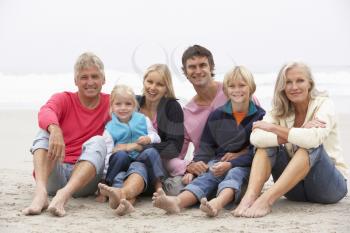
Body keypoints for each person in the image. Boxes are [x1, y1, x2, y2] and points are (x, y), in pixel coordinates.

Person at [233, 62, 349, 218]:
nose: (294, 87)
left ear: (310, 83)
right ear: (282, 86)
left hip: (329, 187)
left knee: (310, 145)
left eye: (300, 80)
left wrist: (273, 128)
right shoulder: (279, 109)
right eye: (288, 82)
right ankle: (250, 197)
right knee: (265, 146)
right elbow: (256, 138)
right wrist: (295, 133)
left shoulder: (324, 104)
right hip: (294, 190)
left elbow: (312, 140)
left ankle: (266, 200)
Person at [152, 66, 265, 216]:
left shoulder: (259, 116)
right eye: (231, 86)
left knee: (235, 173)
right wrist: (194, 170)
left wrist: (232, 163)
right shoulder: (217, 115)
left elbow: (257, 152)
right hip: (218, 162)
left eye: (242, 85)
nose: (237, 90)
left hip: (245, 165)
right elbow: (206, 148)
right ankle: (177, 202)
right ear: (225, 90)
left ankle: (218, 203)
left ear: (251, 87)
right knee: (208, 175)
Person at [22, 52, 110, 217]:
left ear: (103, 79)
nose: (90, 82)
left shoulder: (112, 103)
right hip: (55, 173)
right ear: (75, 80)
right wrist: (55, 129)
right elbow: (45, 111)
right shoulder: (64, 99)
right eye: (84, 77)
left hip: (86, 179)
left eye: (95, 76)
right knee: (44, 131)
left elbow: (136, 113)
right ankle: (40, 193)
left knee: (99, 141)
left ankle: (63, 195)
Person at [97, 64, 184, 215]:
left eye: (159, 84)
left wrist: (137, 147)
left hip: (154, 161)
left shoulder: (172, 107)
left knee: (140, 164)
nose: (153, 87)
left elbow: (174, 148)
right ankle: (126, 200)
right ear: (144, 82)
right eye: (149, 82)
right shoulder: (133, 103)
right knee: (125, 167)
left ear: (167, 87)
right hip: (127, 162)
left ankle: (147, 190)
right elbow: (113, 129)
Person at [178, 45, 260, 186]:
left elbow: (260, 131)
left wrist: (241, 153)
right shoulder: (187, 113)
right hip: (207, 169)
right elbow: (176, 157)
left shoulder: (236, 91)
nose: (198, 71)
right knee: (178, 185)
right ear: (185, 72)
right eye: (192, 67)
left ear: (211, 67)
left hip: (240, 166)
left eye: (202, 65)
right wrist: (188, 167)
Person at [97, 84, 164, 202]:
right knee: (119, 155)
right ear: (112, 106)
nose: (123, 108)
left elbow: (156, 137)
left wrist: (148, 138)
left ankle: (159, 186)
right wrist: (104, 175)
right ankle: (106, 184)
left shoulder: (143, 119)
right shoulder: (110, 128)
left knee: (152, 152)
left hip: (140, 159)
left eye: (128, 104)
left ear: (134, 105)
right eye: (118, 104)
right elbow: (108, 154)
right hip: (122, 161)